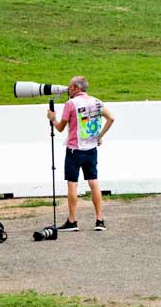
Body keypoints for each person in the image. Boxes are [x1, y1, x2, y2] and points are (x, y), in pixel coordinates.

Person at [46, 76, 114, 232]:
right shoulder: (97, 102)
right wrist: (100, 136)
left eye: (70, 87)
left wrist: (52, 118)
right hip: (91, 149)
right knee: (93, 182)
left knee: (72, 183)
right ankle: (99, 220)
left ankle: (72, 221)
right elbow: (111, 118)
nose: (68, 89)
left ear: (76, 88)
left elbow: (60, 128)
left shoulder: (71, 104)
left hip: (74, 150)